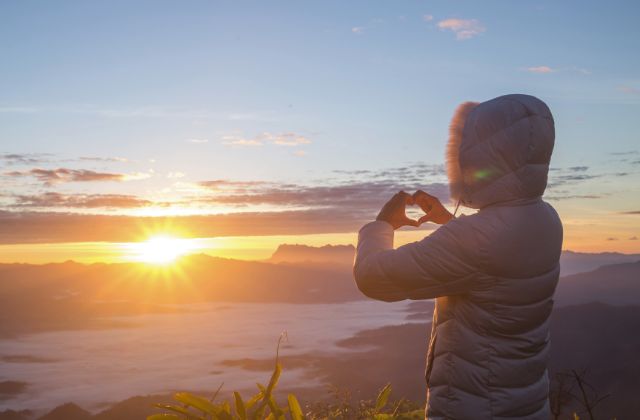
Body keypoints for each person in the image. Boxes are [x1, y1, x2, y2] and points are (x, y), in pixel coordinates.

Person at [353, 94, 563, 420]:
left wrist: (382, 225)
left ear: (477, 155)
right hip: (526, 404)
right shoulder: (546, 219)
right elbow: (493, 262)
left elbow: (374, 277)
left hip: (474, 408)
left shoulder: (477, 238)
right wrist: (446, 221)